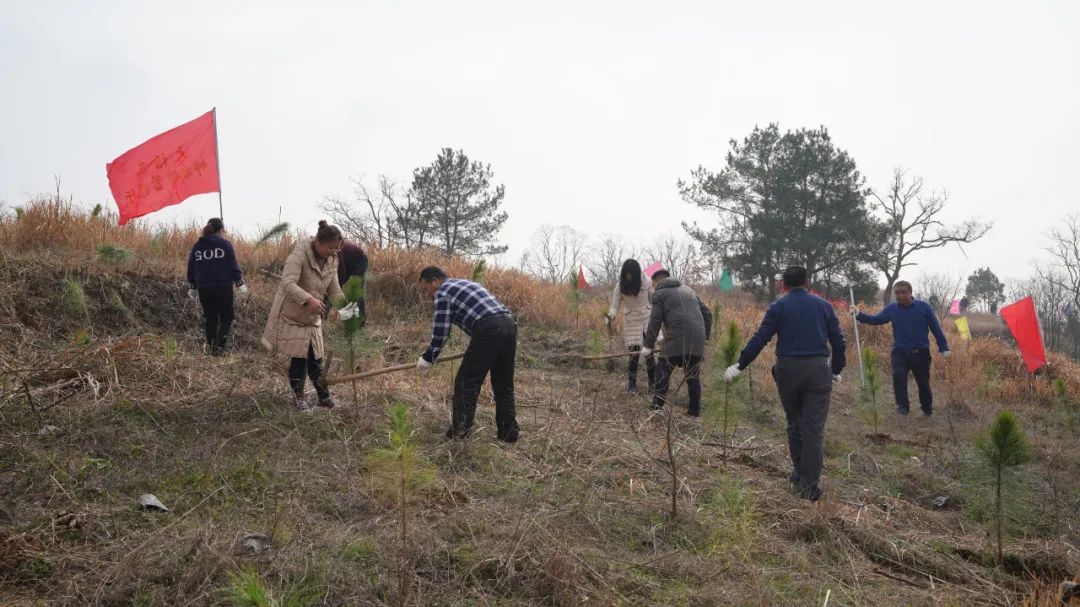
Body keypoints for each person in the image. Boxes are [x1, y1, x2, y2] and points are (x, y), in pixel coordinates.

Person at [725, 266, 845, 502]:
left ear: (784, 285)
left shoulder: (778, 306)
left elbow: (761, 337)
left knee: (794, 421)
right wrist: (836, 369)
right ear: (807, 282)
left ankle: (799, 472)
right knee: (813, 428)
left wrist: (740, 364)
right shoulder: (823, 306)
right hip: (817, 369)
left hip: (788, 370)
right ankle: (809, 485)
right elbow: (839, 342)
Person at [416, 266, 519, 442]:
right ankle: (508, 434)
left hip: (489, 329)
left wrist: (428, 357)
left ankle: (459, 434)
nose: (427, 294)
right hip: (509, 326)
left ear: (435, 281)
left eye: (426, 289)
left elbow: (441, 331)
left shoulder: (443, 292)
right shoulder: (464, 283)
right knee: (503, 384)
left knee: (466, 383)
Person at [261, 221, 345, 412]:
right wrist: (308, 300)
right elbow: (288, 284)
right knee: (300, 359)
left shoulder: (332, 260)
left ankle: (324, 397)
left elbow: (335, 288)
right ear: (319, 243)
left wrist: (339, 306)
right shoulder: (299, 255)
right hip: (293, 315)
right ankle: (299, 398)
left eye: (337, 249)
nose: (334, 252)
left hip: (312, 318)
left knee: (316, 359)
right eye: (331, 248)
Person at [854, 280, 950, 417]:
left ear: (910, 293)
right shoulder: (892, 309)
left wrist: (943, 346)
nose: (900, 295)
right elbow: (876, 320)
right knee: (898, 378)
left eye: (903, 292)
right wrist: (858, 314)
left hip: (921, 352)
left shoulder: (924, 307)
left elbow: (936, 328)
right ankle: (902, 407)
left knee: (923, 383)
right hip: (900, 352)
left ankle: (927, 408)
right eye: (897, 293)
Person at [641, 269, 712, 416]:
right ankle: (694, 411)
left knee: (663, 370)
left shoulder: (659, 294)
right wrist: (705, 338)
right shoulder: (689, 290)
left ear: (656, 281)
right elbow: (708, 314)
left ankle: (657, 409)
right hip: (696, 341)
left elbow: (655, 321)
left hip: (676, 340)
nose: (652, 287)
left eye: (652, 284)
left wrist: (648, 346)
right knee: (692, 376)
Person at [186, 218, 246, 356]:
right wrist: (240, 282)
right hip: (222, 287)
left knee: (210, 317)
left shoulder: (198, 246)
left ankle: (211, 347)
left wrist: (192, 285)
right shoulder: (225, 244)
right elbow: (233, 265)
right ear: (221, 230)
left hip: (204, 288)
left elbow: (192, 267)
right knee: (226, 317)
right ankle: (220, 347)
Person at [605, 259, 657, 396]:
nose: (628, 276)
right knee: (633, 355)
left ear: (636, 272)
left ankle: (653, 385)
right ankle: (632, 386)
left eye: (630, 274)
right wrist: (610, 316)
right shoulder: (620, 285)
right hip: (631, 321)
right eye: (626, 274)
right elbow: (615, 305)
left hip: (647, 319)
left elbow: (654, 300)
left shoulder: (647, 282)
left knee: (649, 354)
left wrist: (659, 315)